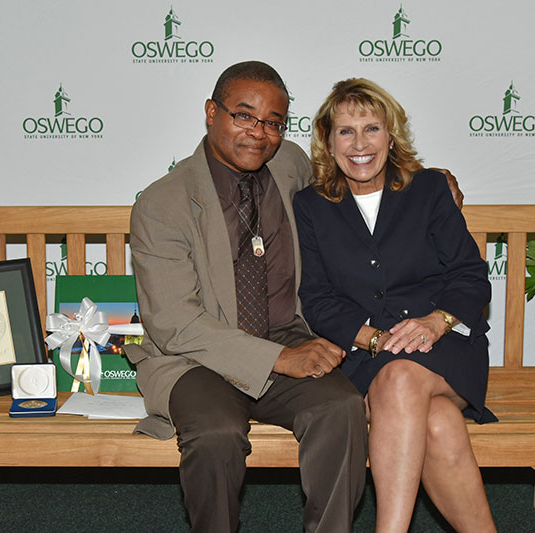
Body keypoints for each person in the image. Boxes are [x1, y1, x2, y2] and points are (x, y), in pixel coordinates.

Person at [125, 61, 369, 533]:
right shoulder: (163, 203)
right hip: (196, 359)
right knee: (216, 433)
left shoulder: (291, 164)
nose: (259, 133)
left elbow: (356, 183)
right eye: (244, 116)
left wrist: (422, 183)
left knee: (341, 408)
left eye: (274, 122)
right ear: (211, 112)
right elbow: (176, 324)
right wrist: (279, 359)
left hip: (286, 336)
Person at [293, 78, 497, 532]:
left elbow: (470, 276)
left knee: (402, 375)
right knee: (439, 422)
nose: (360, 143)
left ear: (392, 135)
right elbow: (318, 300)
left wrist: (436, 322)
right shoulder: (311, 206)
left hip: (444, 349)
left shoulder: (428, 190)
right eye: (346, 131)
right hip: (365, 357)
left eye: (372, 128)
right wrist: (375, 338)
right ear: (328, 140)